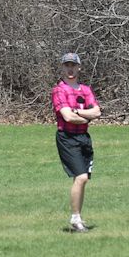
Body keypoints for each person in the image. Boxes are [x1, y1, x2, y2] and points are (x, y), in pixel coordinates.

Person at [52, 53, 101, 231]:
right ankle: (75, 218)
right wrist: (86, 116)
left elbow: (97, 112)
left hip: (84, 138)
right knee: (81, 177)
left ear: (79, 67)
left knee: (82, 178)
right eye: (67, 65)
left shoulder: (86, 90)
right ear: (62, 68)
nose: (70, 69)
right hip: (67, 137)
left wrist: (78, 112)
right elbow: (67, 117)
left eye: (73, 65)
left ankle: (78, 217)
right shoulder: (59, 90)